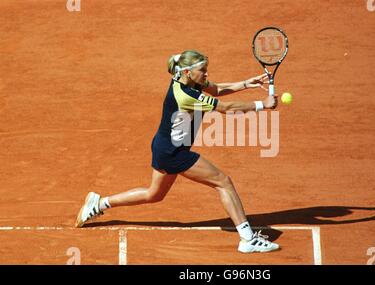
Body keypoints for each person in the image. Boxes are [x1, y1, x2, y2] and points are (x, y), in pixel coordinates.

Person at [75, 50, 279, 253]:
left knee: (153, 194)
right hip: (174, 153)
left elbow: (216, 89)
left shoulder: (188, 81)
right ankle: (247, 238)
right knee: (223, 182)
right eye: (203, 70)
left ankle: (100, 204)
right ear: (189, 71)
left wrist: (245, 83)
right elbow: (225, 108)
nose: (206, 74)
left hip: (163, 146)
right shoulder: (185, 95)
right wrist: (262, 104)